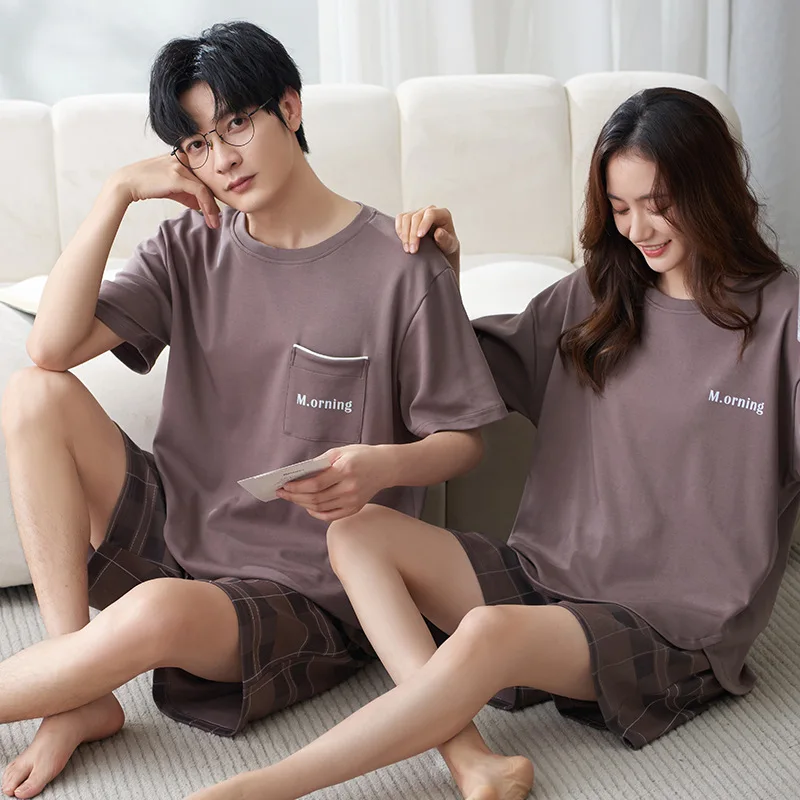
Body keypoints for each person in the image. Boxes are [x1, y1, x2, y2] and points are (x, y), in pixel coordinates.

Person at [185, 87, 799, 800]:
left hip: (669, 626)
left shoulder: (783, 320)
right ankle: (471, 758)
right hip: (544, 578)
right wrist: (439, 273)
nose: (638, 229)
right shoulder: (595, 296)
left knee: (485, 635)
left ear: (710, 190)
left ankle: (263, 789)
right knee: (357, 532)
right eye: (619, 207)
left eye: (658, 204)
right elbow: (460, 378)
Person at [0, 21, 508, 799]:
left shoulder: (400, 264)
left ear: (291, 109)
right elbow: (52, 348)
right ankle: (75, 694)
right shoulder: (191, 245)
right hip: (180, 529)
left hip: (302, 595)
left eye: (237, 123)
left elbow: (465, 437)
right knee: (33, 393)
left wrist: (382, 466)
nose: (224, 160)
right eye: (198, 144)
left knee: (153, 611)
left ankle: (72, 680)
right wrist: (117, 193)